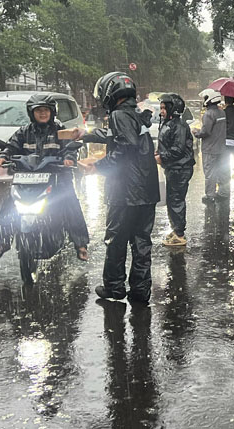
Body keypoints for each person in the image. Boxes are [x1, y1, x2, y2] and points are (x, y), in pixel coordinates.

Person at [82, 71, 160, 303]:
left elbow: (125, 145)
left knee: (116, 240)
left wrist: (98, 166)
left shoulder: (118, 114)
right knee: (141, 241)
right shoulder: (135, 114)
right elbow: (117, 136)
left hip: (125, 191)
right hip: (146, 190)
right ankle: (140, 290)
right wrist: (85, 135)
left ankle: (115, 288)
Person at [0, 94, 89, 262]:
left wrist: (69, 158)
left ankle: (81, 244)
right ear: (31, 113)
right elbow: (11, 146)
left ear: (52, 112)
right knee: (9, 204)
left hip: (57, 177)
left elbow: (70, 148)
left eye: (45, 110)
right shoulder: (24, 131)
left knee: (70, 202)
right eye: (38, 111)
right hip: (27, 179)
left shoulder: (60, 130)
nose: (42, 114)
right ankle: (1, 242)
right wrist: (3, 156)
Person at [155, 93, 195, 247]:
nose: (162, 111)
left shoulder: (179, 126)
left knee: (176, 199)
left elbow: (177, 149)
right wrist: (160, 154)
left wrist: (161, 157)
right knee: (172, 199)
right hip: (174, 167)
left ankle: (179, 233)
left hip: (180, 168)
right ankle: (176, 229)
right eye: (161, 108)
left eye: (164, 108)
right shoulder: (169, 123)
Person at [193, 89, 228, 203]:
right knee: (222, 171)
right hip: (221, 148)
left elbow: (206, 132)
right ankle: (223, 193)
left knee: (210, 173)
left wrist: (196, 132)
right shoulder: (222, 112)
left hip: (210, 149)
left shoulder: (208, 114)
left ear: (209, 98)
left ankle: (210, 195)